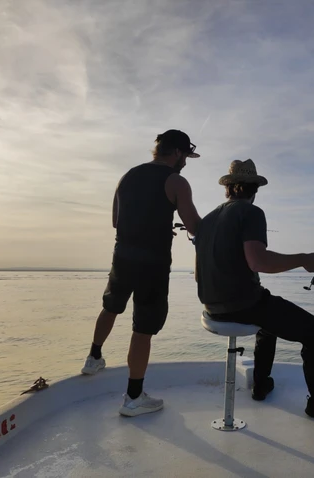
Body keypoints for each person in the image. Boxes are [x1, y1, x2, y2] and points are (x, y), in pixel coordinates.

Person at [194, 159, 314, 418]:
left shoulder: (208, 219)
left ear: (227, 189)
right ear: (255, 189)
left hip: (211, 307)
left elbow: (198, 272)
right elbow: (258, 261)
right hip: (241, 305)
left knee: (267, 324)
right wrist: (303, 259)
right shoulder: (251, 213)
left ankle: (261, 384)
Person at [82, 129, 202, 417]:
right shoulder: (176, 181)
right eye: (185, 155)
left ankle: (93, 357)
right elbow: (196, 227)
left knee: (111, 306)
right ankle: (134, 397)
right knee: (143, 328)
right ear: (176, 152)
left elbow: (116, 221)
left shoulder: (128, 176)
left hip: (122, 255)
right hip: (153, 264)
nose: (185, 161)